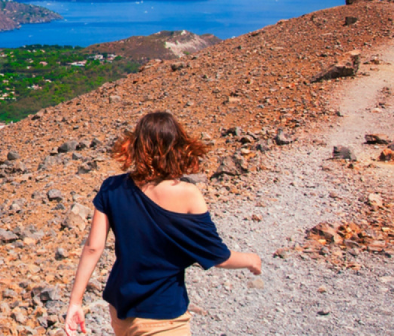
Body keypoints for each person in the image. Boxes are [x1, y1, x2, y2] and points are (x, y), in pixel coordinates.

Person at [63, 111, 261, 336]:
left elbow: (93, 247)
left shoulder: (112, 187)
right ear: (177, 147)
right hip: (163, 316)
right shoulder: (188, 194)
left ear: (136, 145)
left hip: (120, 311)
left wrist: (75, 302)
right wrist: (251, 260)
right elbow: (217, 255)